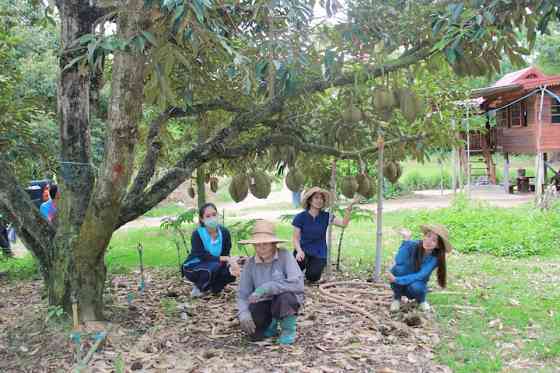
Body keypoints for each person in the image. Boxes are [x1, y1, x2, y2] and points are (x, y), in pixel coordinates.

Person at [237, 220, 304, 345]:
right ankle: (271, 325)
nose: (261, 248)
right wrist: (243, 314)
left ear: (274, 244)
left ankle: (288, 330)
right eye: (257, 244)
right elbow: (243, 294)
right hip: (263, 302)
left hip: (285, 300)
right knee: (255, 334)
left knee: (285, 297)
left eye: (265, 244)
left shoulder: (285, 256)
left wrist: (268, 287)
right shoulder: (250, 264)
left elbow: (297, 285)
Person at [292, 187, 359, 283]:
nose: (319, 200)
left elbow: (343, 224)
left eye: (321, 198)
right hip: (303, 250)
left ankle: (309, 272)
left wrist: (349, 208)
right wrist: (299, 251)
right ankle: (299, 271)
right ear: (310, 200)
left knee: (313, 277)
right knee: (295, 268)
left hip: (319, 252)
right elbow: (295, 238)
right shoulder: (300, 217)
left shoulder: (326, 216)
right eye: (316, 198)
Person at [386, 224, 452, 312]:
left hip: (416, 283)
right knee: (398, 269)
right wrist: (406, 240)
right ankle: (397, 298)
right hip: (403, 278)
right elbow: (399, 261)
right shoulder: (413, 244)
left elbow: (420, 275)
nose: (428, 241)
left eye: (434, 240)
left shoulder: (435, 258)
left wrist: (397, 280)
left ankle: (421, 301)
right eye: (428, 236)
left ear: (438, 245)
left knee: (416, 287)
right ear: (424, 236)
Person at [182, 203, 236, 297]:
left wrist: (233, 265)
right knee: (214, 266)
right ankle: (199, 287)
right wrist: (226, 259)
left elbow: (226, 253)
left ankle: (214, 288)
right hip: (194, 266)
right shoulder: (197, 234)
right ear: (202, 219)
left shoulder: (224, 232)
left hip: (215, 264)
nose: (212, 218)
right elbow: (203, 256)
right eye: (208, 216)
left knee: (230, 272)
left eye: (214, 214)